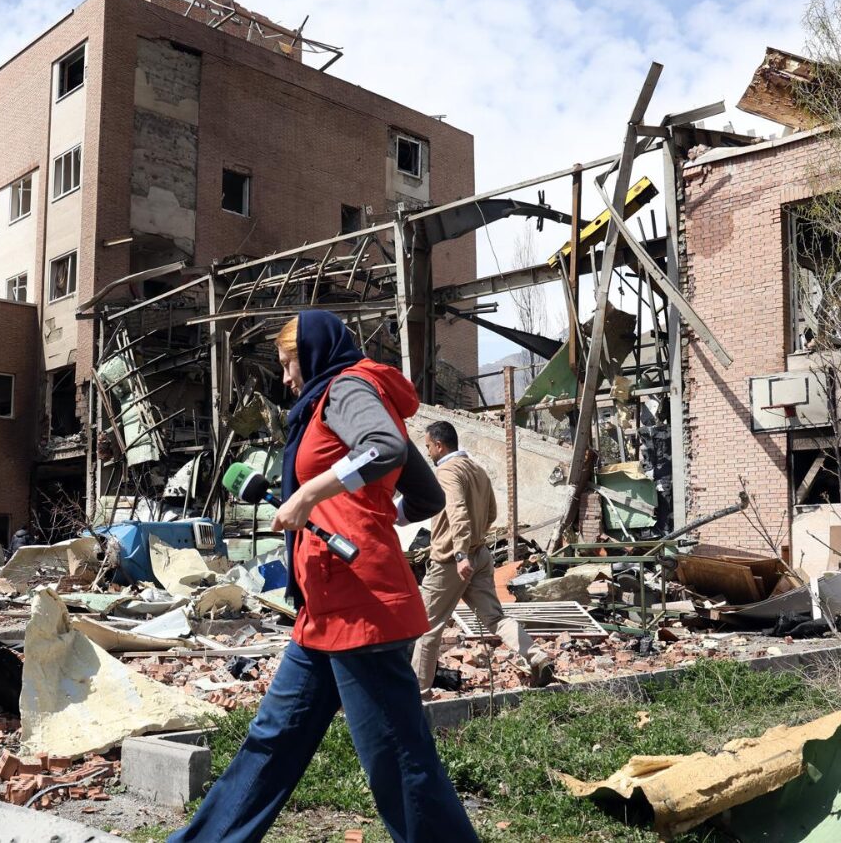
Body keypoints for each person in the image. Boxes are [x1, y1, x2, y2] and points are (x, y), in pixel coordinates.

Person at [170, 310, 476, 843]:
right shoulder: (324, 404)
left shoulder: (347, 387)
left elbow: (385, 448)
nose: (287, 378)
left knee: (400, 764)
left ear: (313, 352)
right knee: (272, 741)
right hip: (325, 606)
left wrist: (310, 495)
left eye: (289, 363)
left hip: (362, 605)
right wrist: (372, 513)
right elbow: (423, 495)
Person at [409, 421, 554, 696]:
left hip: (453, 561)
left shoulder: (447, 472)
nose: (427, 452)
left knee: (427, 627)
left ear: (439, 445)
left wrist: (461, 552)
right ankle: (536, 656)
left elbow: (458, 512)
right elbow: (491, 513)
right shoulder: (477, 469)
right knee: (495, 617)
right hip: (480, 555)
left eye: (428, 446)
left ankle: (419, 695)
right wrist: (475, 543)